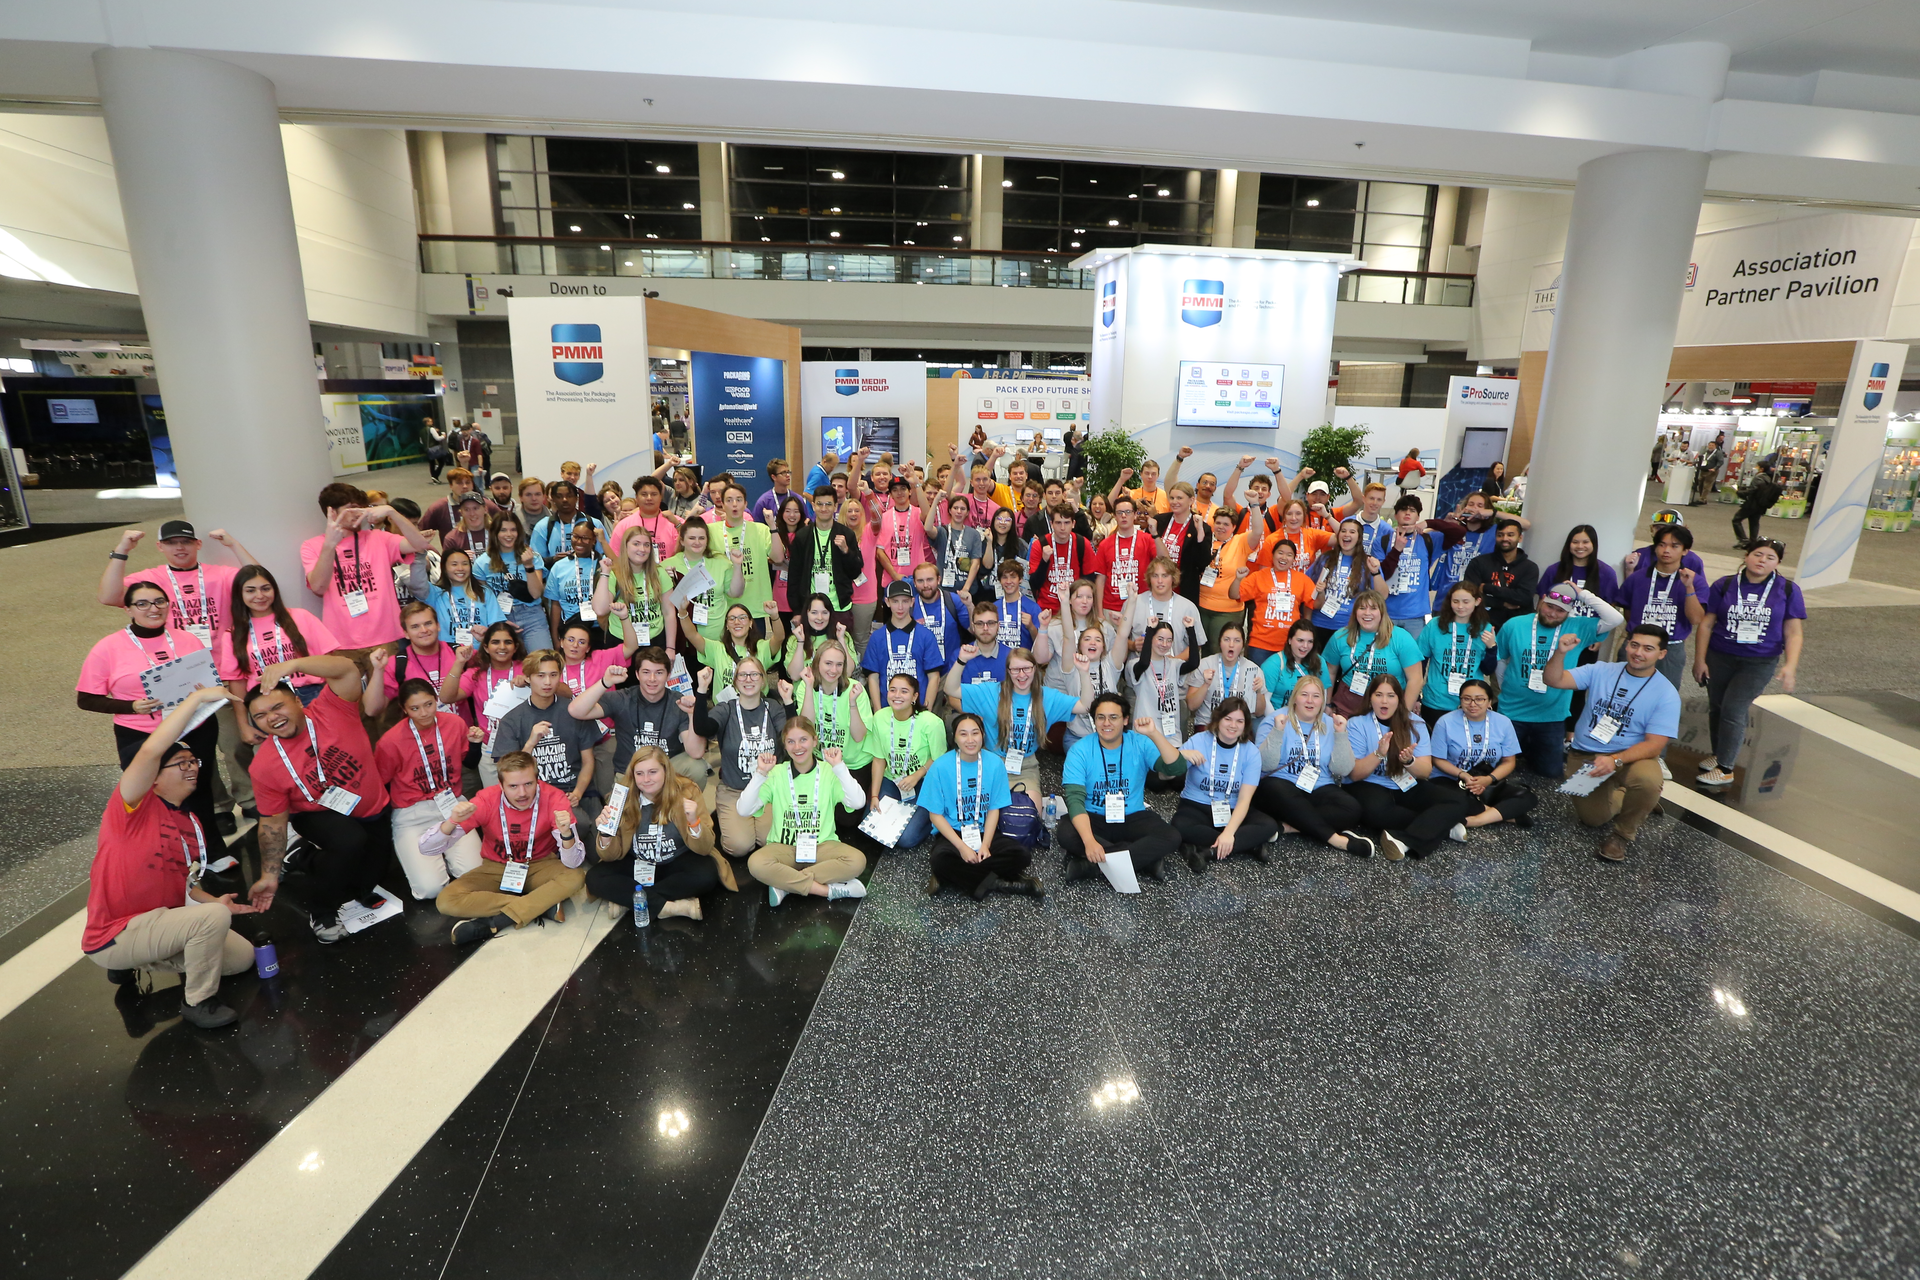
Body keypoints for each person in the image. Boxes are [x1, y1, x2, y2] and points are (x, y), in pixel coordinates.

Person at [83, 685, 260, 1029]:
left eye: (193, 761)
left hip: (158, 922)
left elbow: (185, 885)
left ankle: (139, 961)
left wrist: (217, 903)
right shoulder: (131, 808)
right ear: (154, 779)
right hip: (114, 932)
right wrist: (194, 700)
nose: (192, 767)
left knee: (242, 958)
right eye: (180, 763)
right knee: (208, 922)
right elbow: (151, 750)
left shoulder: (190, 822)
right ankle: (199, 1002)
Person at [244, 654, 395, 943]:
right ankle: (321, 911)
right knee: (350, 842)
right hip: (316, 813)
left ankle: (303, 857)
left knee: (369, 874)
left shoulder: (330, 709)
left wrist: (294, 665)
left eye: (277, 707)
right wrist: (269, 875)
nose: (272, 718)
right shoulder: (263, 766)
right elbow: (272, 824)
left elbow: (347, 670)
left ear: (298, 701)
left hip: (371, 807)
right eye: (261, 716)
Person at [78, 583, 225, 845]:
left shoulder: (187, 639)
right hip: (140, 731)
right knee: (151, 792)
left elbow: (208, 679)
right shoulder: (107, 647)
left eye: (159, 602)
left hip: (194, 726)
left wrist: (205, 688)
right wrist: (130, 706)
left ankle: (212, 849)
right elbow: (86, 699)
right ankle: (164, 850)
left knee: (198, 786)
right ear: (128, 609)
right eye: (142, 604)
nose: (153, 609)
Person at [1546, 625, 1682, 862]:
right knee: (1592, 819)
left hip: (1630, 756)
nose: (1638, 652)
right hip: (1585, 753)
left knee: (1648, 781)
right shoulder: (1602, 670)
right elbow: (1553, 679)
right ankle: (1639, 803)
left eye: (1648, 648)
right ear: (1626, 644)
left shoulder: (1666, 694)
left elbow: (1654, 746)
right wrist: (1560, 653)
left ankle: (1623, 834)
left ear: (1661, 654)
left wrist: (1614, 760)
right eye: (1634, 645)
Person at [425, 752, 588, 943]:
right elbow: (428, 849)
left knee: (576, 876)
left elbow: (574, 861)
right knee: (446, 901)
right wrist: (451, 822)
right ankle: (540, 905)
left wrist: (566, 833)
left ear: (538, 780)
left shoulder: (554, 798)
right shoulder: (486, 800)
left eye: (528, 784)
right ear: (501, 785)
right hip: (496, 866)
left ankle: (497, 921)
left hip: (540, 864)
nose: (522, 793)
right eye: (513, 786)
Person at [1694, 539, 1805, 789]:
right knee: (1718, 706)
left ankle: (1725, 768)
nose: (1762, 560)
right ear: (1746, 556)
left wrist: (1790, 665)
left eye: (1770, 557)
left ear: (1777, 563)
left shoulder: (1787, 589)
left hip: (1759, 660)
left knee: (1734, 708)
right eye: (1758, 554)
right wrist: (1699, 659)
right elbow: (1706, 624)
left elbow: (1793, 632)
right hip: (1720, 655)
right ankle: (1719, 753)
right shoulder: (1725, 584)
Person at [587, 745, 733, 922]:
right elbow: (611, 856)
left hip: (675, 860)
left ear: (666, 770)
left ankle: (632, 901)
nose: (646, 779)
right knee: (595, 877)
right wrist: (605, 834)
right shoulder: (621, 796)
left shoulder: (688, 790)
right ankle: (668, 907)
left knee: (707, 873)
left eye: (652, 772)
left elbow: (705, 848)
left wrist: (694, 821)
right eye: (639, 773)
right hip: (638, 861)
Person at [737, 716, 870, 906]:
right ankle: (826, 890)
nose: (797, 747)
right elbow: (743, 809)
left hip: (822, 845)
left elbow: (858, 802)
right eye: (791, 741)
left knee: (857, 861)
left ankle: (785, 884)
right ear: (785, 745)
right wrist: (760, 773)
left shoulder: (829, 771)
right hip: (784, 847)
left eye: (803, 740)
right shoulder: (776, 773)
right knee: (756, 863)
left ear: (815, 741)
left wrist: (840, 767)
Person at [1495, 582, 1622, 779]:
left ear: (1569, 612)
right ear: (1542, 601)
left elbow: (1615, 618)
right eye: (1549, 607)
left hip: (1551, 717)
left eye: (1560, 611)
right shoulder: (1515, 624)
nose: (1553, 614)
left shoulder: (1577, 627)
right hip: (1512, 712)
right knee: (1500, 769)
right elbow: (1501, 659)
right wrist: (1504, 686)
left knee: (1549, 774)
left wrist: (1582, 594)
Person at [1058, 693, 1187, 883]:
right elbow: (1074, 800)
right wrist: (1090, 841)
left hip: (1132, 816)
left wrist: (1153, 733)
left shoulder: (1139, 742)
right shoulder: (1080, 750)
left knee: (1171, 836)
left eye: (1113, 717)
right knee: (1066, 832)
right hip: (1094, 817)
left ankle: (1092, 867)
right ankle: (1143, 861)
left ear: (1125, 720)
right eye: (1100, 717)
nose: (1106, 723)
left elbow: (1177, 768)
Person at [1344, 673, 1473, 861]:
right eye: (1378, 695)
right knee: (1375, 813)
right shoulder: (1356, 724)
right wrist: (1379, 754)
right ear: (1370, 697)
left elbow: (1425, 772)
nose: (1384, 701)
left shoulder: (1415, 723)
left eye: (1391, 696)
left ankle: (1402, 839)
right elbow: (1355, 774)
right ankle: (1441, 825)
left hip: (1404, 782)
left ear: (1399, 699)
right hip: (1368, 783)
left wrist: (1409, 762)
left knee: (1458, 801)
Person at [375, 677, 483, 899]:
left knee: (475, 877)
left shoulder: (454, 724)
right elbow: (382, 784)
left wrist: (475, 745)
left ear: (436, 701)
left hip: (452, 805)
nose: (424, 713)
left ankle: (449, 857)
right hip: (412, 814)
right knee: (430, 890)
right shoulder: (390, 741)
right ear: (404, 710)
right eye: (414, 708)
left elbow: (470, 764)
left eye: (428, 705)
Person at [919, 714, 1042, 899]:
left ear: (983, 735)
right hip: (954, 832)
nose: (970, 740)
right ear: (954, 738)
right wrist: (962, 847)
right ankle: (1002, 883)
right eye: (963, 734)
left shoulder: (994, 764)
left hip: (985, 830)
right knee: (940, 860)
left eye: (975, 733)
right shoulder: (940, 767)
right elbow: (935, 815)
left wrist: (985, 844)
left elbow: (994, 808)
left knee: (1021, 855)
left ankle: (955, 878)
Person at [1250, 677, 1374, 857]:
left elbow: (1342, 770)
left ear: (1322, 701)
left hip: (1318, 786)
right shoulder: (1275, 720)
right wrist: (1277, 732)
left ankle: (1286, 827)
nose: (1310, 701)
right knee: (1274, 789)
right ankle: (1337, 840)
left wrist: (1341, 735)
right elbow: (1265, 765)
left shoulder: (1332, 724)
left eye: (1316, 696)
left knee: (1351, 808)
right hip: (1282, 787)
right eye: (1304, 695)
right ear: (1295, 698)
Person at [301, 483, 432, 651]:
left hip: (386, 637)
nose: (358, 514)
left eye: (361, 508)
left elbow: (420, 545)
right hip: (341, 641)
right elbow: (318, 587)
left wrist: (392, 512)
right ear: (332, 512)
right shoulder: (312, 546)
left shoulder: (378, 538)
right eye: (351, 508)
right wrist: (329, 546)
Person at [956, 646, 1086, 795]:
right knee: (992, 813)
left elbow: (1085, 706)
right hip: (993, 761)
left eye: (1026, 668)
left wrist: (1083, 672)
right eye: (1016, 669)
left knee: (1029, 814)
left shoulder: (1047, 697)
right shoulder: (991, 692)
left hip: (1026, 765)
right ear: (1008, 671)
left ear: (1035, 669)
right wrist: (962, 660)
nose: (1022, 674)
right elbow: (951, 689)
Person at [694, 654, 789, 859]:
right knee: (739, 847)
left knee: (769, 840)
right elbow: (702, 727)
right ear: (735, 681)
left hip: (768, 790)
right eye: (743, 675)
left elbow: (792, 738)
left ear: (763, 680)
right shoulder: (726, 709)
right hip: (734, 790)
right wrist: (702, 690)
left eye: (754, 674)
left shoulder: (772, 707)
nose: (748, 679)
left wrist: (789, 702)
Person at [569, 646, 707, 785]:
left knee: (697, 767)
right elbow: (576, 710)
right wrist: (605, 682)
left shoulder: (677, 701)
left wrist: (691, 714)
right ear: (637, 674)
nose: (652, 679)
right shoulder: (623, 698)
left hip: (666, 773)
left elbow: (696, 753)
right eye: (646, 672)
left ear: (668, 675)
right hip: (630, 774)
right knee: (619, 804)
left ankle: (676, 804)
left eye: (659, 673)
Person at [1171, 696, 1278, 873]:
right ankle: (1248, 845)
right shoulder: (1198, 741)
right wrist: (1181, 755)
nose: (1233, 725)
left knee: (1269, 825)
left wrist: (1229, 833)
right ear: (1218, 719)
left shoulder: (1251, 752)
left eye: (1239, 721)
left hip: (1232, 808)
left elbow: (1245, 800)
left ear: (1245, 725)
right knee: (1179, 825)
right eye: (1228, 719)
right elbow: (1166, 774)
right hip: (1197, 805)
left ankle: (1209, 852)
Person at [219, 565, 340, 715]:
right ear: (239, 595)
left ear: (274, 590)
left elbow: (330, 661)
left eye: (265, 588)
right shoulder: (232, 635)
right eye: (250, 590)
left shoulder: (301, 616)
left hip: (310, 694)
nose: (260, 595)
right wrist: (244, 726)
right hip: (264, 701)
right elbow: (236, 683)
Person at [492, 647, 599, 813]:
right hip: (530, 797)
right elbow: (509, 773)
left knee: (586, 824)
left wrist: (577, 793)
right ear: (527, 677)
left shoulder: (575, 711)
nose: (548, 682)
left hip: (575, 791)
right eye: (540, 676)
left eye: (553, 675)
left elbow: (588, 761)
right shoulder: (511, 720)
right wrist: (530, 743)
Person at [1429, 679, 1536, 834]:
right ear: (1460, 700)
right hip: (1451, 779)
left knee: (1529, 797)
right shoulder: (1445, 722)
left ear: (1489, 702)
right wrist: (1462, 775)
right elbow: (1437, 759)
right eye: (1467, 699)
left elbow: (1509, 761)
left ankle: (1473, 821)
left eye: (1479, 699)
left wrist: (1489, 779)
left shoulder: (1503, 723)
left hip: (1486, 780)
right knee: (1445, 798)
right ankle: (1505, 815)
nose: (1473, 704)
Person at [1618, 523, 1705, 691]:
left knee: (1664, 697)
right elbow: (1627, 610)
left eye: (1674, 546)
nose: (1666, 550)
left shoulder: (1695, 581)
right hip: (1636, 645)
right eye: (1662, 544)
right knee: (1623, 693)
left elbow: (1696, 619)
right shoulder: (1637, 578)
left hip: (1671, 647)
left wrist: (1689, 588)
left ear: (1685, 551)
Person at [865, 672, 945, 850]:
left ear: (915, 696)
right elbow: (878, 759)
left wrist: (917, 775)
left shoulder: (931, 722)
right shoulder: (880, 718)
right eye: (892, 690)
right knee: (871, 828)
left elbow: (939, 759)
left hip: (922, 782)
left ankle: (934, 820)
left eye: (904, 691)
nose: (897, 696)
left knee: (906, 839)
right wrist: (875, 796)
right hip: (892, 779)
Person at [446, 621, 528, 788]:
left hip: (524, 745)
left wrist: (531, 682)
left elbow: (557, 691)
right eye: (495, 642)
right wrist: (459, 662)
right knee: (495, 800)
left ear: (516, 646)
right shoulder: (476, 674)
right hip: (489, 747)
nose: (502, 647)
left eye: (508, 642)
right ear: (485, 647)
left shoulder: (527, 668)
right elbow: (447, 697)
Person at [797, 639, 874, 812]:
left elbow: (859, 736)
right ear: (817, 663)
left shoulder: (855, 689)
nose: (834, 670)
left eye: (839, 665)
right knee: (816, 810)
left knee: (846, 819)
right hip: (820, 760)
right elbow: (805, 728)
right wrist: (809, 688)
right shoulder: (805, 685)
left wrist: (852, 703)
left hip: (852, 763)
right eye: (828, 663)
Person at [1320, 590, 1424, 718]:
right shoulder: (1340, 636)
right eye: (1362, 608)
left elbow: (1416, 679)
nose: (1367, 613)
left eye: (1373, 608)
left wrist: (1404, 714)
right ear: (1355, 612)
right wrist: (1327, 703)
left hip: (1390, 708)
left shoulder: (1401, 638)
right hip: (1348, 707)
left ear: (1382, 613)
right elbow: (1329, 672)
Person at [1415, 583, 1498, 729]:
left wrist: (1491, 648)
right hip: (1436, 701)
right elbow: (1420, 663)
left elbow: (1488, 669)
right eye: (1456, 601)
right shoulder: (1435, 625)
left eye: (1466, 602)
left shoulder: (1485, 628)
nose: (1460, 606)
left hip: (1471, 703)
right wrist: (1416, 697)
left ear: (1477, 602)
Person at [470, 510, 551, 654]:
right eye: (503, 530)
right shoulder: (482, 562)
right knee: (504, 663)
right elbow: (483, 600)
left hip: (531, 615)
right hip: (500, 617)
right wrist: (498, 620)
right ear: (495, 533)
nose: (509, 535)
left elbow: (536, 593)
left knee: (543, 659)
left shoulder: (532, 557)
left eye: (513, 530)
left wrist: (528, 566)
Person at [786, 488, 864, 634]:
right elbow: (794, 575)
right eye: (819, 504)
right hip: (811, 609)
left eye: (828, 504)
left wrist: (846, 551)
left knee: (841, 651)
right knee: (811, 653)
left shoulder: (846, 534)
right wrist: (796, 610)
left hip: (839, 607)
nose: (823, 508)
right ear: (813, 506)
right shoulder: (802, 536)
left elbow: (855, 572)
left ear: (835, 506)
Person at [861, 579, 944, 711]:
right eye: (895, 601)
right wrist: (877, 712)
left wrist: (926, 711)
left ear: (912, 602)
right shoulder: (877, 637)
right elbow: (873, 677)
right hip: (887, 710)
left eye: (905, 601)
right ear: (887, 602)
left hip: (917, 709)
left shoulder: (925, 635)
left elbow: (934, 677)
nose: (900, 607)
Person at [1233, 535, 1315, 665]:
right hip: (1260, 643)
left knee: (1285, 683)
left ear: (1294, 559)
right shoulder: (1258, 576)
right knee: (1256, 682)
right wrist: (1238, 579)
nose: (1284, 558)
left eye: (1289, 555)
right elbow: (1234, 595)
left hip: (1290, 644)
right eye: (1280, 553)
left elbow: (1316, 604)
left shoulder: (1302, 580)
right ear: (1272, 555)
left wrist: (1320, 591)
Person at [594, 524, 675, 654]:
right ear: (625, 546)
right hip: (621, 642)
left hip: (654, 641)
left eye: (646, 545)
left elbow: (669, 612)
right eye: (636, 544)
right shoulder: (615, 574)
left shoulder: (659, 573)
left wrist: (671, 648)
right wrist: (605, 573)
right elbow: (600, 609)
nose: (642, 549)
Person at [1307, 519, 1386, 647]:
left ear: (1359, 537)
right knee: (1318, 666)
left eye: (1352, 531)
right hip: (1319, 624)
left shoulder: (1367, 562)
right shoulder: (1325, 558)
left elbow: (1382, 595)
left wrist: (1375, 572)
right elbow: (1306, 585)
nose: (1346, 534)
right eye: (1343, 531)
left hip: (1349, 627)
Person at [1185, 622, 1267, 729]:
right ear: (1220, 642)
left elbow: (1259, 712)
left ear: (1243, 644)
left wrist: (1258, 692)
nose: (1231, 645)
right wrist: (1205, 685)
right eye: (1226, 639)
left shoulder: (1253, 670)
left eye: (1237, 641)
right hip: (1208, 724)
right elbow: (1191, 705)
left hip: (1237, 727)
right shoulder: (1205, 665)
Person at [1118, 555, 1203, 660]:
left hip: (1176, 672)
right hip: (1140, 669)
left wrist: (1174, 663)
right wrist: (1132, 645)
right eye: (1155, 576)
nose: (1160, 581)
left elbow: (1197, 644)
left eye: (1165, 575)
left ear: (1173, 578)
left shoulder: (1188, 607)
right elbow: (1118, 639)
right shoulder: (1133, 603)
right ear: (1149, 578)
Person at [1463, 517, 1538, 632]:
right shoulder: (1478, 563)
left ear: (1520, 537)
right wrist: (1502, 603)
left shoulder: (1530, 567)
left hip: (1518, 628)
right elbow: (1470, 595)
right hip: (1483, 625)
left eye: (1510, 535)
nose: (1505, 538)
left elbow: (1523, 598)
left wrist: (1488, 588)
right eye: (1500, 535)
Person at [422, 546, 505, 648]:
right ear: (444, 567)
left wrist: (487, 634)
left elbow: (496, 627)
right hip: (448, 653)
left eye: (465, 564)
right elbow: (416, 582)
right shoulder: (436, 593)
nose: (460, 568)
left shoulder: (484, 592)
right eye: (454, 564)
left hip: (481, 652)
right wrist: (420, 549)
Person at [1195, 507, 1251, 654]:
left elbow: (1257, 531)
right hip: (1202, 605)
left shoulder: (1240, 541)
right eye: (1218, 523)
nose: (1221, 527)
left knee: (1219, 649)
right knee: (1203, 648)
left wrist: (1255, 505)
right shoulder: (1206, 539)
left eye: (1226, 524)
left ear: (1233, 527)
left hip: (1227, 610)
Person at [1092, 496, 1157, 615]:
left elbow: (1164, 561)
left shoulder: (1147, 540)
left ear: (1135, 514)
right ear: (1115, 516)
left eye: (1128, 512)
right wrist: (1100, 612)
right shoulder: (1105, 544)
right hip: (1111, 608)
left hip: (1140, 606)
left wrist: (1156, 534)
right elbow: (1100, 580)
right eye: (1120, 512)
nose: (1123, 516)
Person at [1028, 503, 1095, 615]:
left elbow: (1090, 581)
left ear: (1073, 524)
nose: (1062, 528)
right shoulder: (1039, 545)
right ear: (1052, 524)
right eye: (1058, 523)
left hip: (1075, 609)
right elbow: (1034, 584)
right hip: (1047, 608)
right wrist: (1044, 561)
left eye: (1067, 523)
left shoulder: (1082, 543)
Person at [911, 561, 974, 675]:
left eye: (930, 579)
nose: (925, 585)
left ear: (938, 580)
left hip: (951, 670)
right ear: (914, 583)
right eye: (920, 581)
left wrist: (969, 606)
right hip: (921, 671)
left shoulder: (953, 600)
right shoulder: (910, 606)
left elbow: (974, 630)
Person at [1260, 618, 1330, 708]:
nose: (1305, 646)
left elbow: (1322, 696)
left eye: (1310, 641)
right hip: (1279, 716)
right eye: (1300, 640)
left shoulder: (1319, 661)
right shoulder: (1272, 664)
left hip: (1308, 717)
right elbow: (1265, 700)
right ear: (1290, 640)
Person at [928, 492, 985, 598]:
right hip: (943, 589)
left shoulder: (974, 534)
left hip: (966, 589)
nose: (959, 512)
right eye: (955, 508)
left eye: (963, 509)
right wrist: (935, 501)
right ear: (950, 510)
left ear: (967, 512)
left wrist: (966, 589)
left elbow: (975, 563)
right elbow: (927, 528)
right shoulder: (942, 531)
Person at [1731, 462, 1783, 548]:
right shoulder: (1767, 478)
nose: (1755, 468)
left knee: (1736, 519)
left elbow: (1752, 491)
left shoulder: (1758, 478)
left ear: (1761, 468)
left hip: (1752, 504)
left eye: (1757, 466)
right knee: (1754, 522)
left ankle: (1743, 540)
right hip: (1761, 504)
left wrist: (1739, 492)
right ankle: (1753, 541)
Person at [752, 457, 813, 526]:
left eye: (788, 472)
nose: (788, 475)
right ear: (774, 477)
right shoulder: (764, 501)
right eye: (783, 473)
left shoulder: (797, 498)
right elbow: (757, 527)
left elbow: (806, 521)